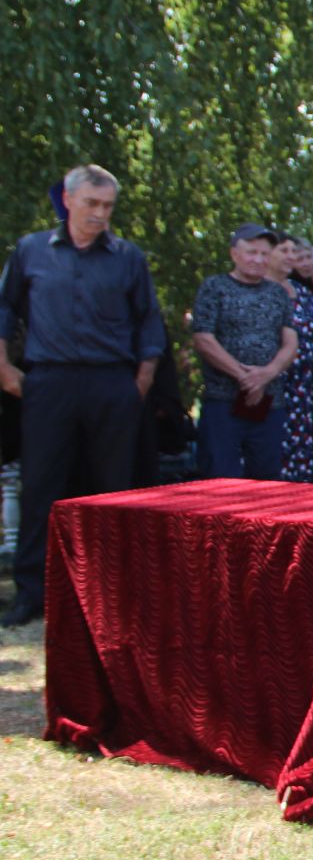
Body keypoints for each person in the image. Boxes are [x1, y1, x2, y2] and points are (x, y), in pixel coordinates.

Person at [0, 165, 165, 627]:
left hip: (112, 381)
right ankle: (31, 593)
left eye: (108, 206)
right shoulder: (31, 250)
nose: (100, 214)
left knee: (113, 488)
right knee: (41, 486)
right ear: (68, 200)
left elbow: (148, 319)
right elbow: (5, 307)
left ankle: (109, 593)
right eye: (92, 204)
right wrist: (3, 366)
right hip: (48, 380)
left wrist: (144, 376)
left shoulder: (128, 257)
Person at [190, 223, 298, 480]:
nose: (258, 259)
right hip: (223, 401)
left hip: (268, 403)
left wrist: (266, 375)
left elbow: (291, 342)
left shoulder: (278, 293)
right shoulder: (214, 287)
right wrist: (244, 377)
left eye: (264, 254)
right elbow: (203, 339)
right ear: (234, 254)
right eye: (251, 252)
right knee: (221, 477)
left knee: (267, 478)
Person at [267, 235, 313, 482]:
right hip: (274, 386)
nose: (290, 255)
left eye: (293, 250)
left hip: (303, 389)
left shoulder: (302, 291)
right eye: (284, 250)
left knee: (300, 457)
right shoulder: (261, 290)